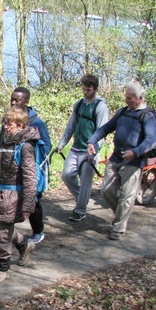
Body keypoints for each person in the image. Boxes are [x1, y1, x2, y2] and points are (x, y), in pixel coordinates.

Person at [0, 87, 51, 249]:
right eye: (12, 99)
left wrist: (29, 161)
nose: (13, 102)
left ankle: (38, 231)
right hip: (8, 168)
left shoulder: (37, 123)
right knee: (2, 199)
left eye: (17, 100)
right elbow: (2, 140)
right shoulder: (8, 120)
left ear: (26, 102)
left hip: (30, 168)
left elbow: (46, 147)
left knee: (33, 200)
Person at [87, 80, 156, 240]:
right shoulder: (123, 112)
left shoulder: (147, 116)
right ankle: (121, 215)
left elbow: (151, 140)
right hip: (116, 157)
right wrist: (92, 140)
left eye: (130, 98)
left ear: (139, 98)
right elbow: (105, 128)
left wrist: (135, 152)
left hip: (133, 162)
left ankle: (118, 228)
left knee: (127, 196)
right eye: (126, 97)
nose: (126, 101)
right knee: (106, 191)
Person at [0, 107, 38, 284]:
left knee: (2, 232)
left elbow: (31, 178)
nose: (6, 127)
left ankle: (2, 268)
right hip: (2, 193)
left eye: (9, 124)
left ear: (20, 125)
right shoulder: (8, 143)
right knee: (3, 229)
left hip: (14, 195)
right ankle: (24, 244)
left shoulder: (25, 147)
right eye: (5, 123)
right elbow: (3, 165)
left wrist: (28, 206)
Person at [56, 74, 109, 222]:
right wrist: (62, 144)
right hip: (76, 147)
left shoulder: (101, 107)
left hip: (90, 150)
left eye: (89, 90)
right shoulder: (78, 104)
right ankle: (82, 199)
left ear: (95, 89)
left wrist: (95, 151)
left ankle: (80, 210)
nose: (85, 93)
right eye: (84, 89)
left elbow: (102, 131)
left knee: (86, 181)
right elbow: (71, 125)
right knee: (66, 174)